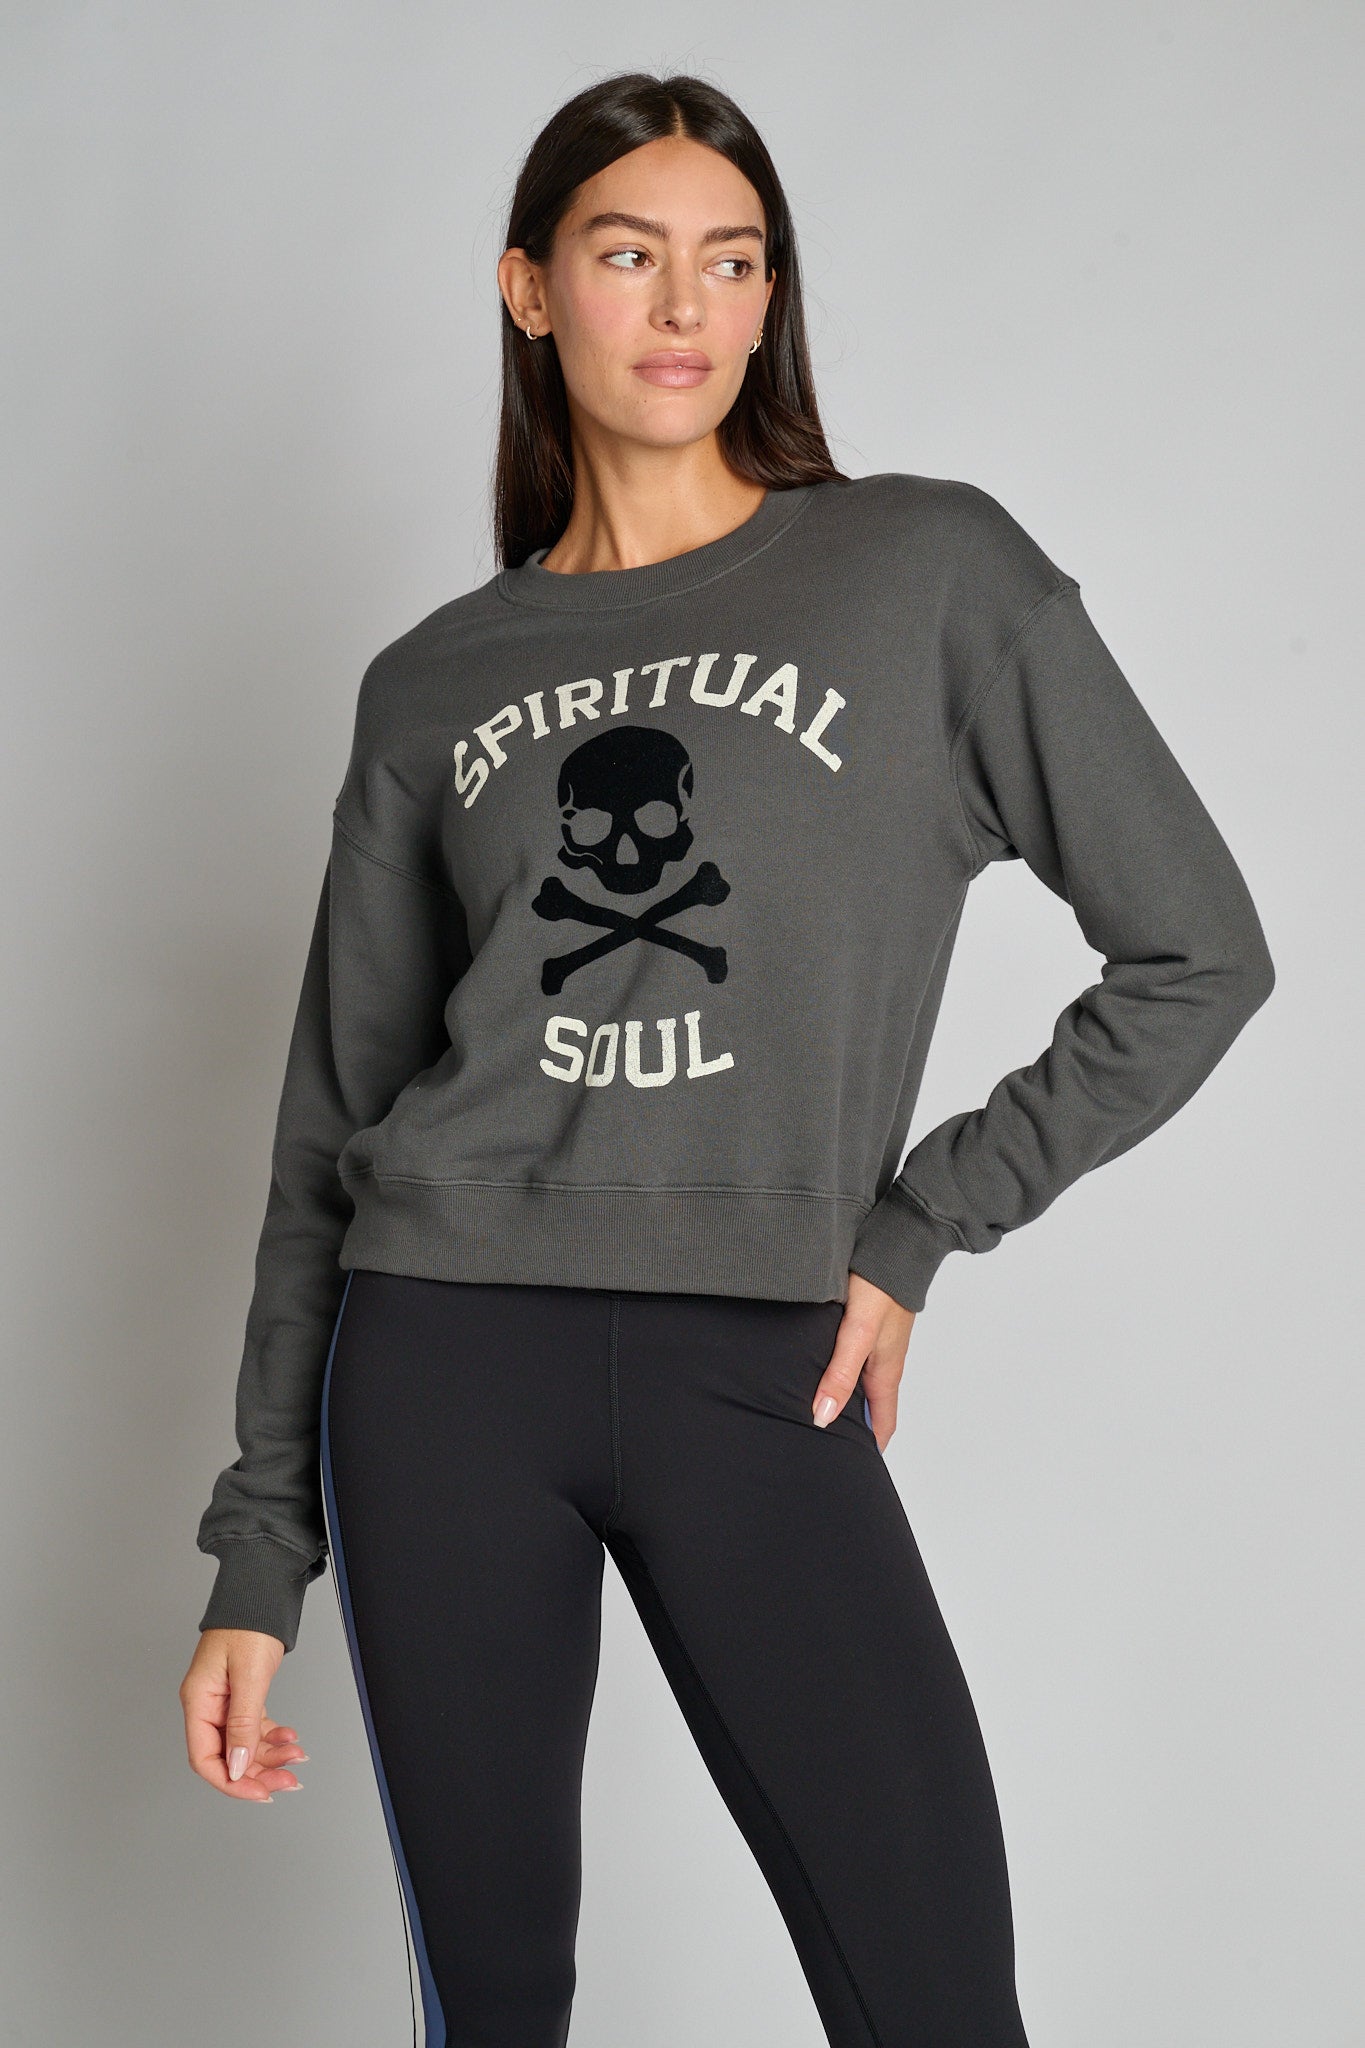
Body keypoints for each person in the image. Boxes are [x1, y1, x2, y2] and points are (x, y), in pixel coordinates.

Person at [178, 69, 1275, 2048]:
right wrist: (261, 1550)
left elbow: (1198, 951)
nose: (684, 305)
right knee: (494, 2008)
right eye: (627, 255)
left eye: (732, 259)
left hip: (758, 1360)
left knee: (934, 2000)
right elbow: (331, 1126)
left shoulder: (927, 575)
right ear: (530, 290)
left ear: (769, 298)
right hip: (440, 1364)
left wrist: (919, 1221)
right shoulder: (432, 683)